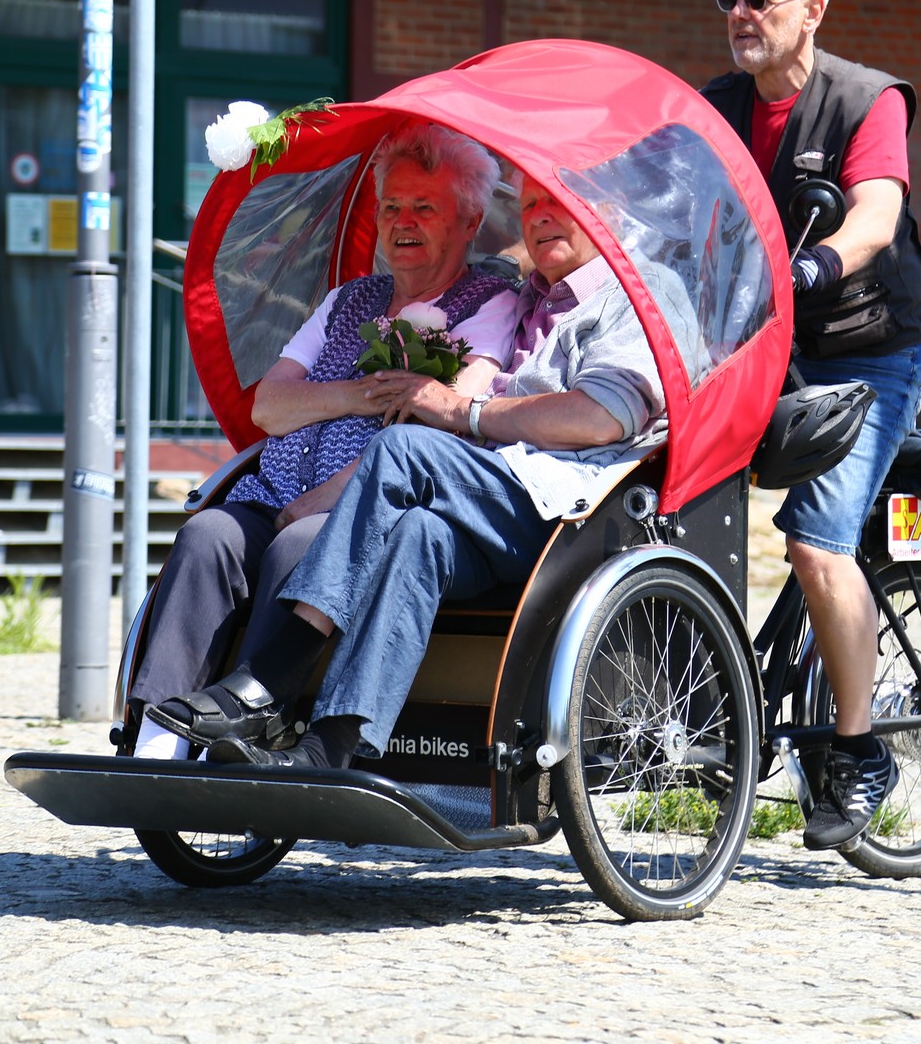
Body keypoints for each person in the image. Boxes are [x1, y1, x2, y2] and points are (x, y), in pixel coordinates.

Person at [195, 181, 668, 770]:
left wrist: (464, 412)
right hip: (488, 500)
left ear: (612, 213)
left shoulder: (638, 296)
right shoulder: (526, 297)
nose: (542, 219)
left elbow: (600, 417)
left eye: (561, 205)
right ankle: (332, 746)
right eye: (530, 206)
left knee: (403, 448)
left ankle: (275, 672)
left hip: (566, 507)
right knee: (417, 534)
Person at [129, 121, 519, 759]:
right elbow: (268, 406)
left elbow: (446, 418)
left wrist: (328, 495)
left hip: (364, 513)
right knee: (207, 535)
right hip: (275, 487)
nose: (403, 221)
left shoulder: (488, 306)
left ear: (469, 221)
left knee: (298, 548)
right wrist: (358, 395)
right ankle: (153, 732)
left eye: (426, 207)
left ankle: (253, 723)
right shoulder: (348, 299)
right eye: (391, 206)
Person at [700, 0, 921, 850]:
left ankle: (857, 749)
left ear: (813, 11)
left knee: (816, 540)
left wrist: (821, 262)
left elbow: (875, 214)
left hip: (867, 351)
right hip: (766, 346)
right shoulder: (718, 107)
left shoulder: (864, 99)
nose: (741, 16)